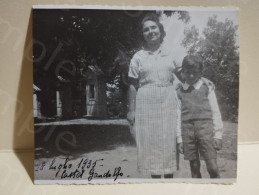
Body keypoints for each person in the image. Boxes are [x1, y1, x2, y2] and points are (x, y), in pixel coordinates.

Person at [127, 13, 182, 178]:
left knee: (168, 142)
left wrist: (203, 81)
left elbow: (187, 75)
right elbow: (132, 84)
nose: (150, 31)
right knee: (151, 145)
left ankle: (169, 185)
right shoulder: (138, 57)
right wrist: (131, 110)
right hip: (145, 104)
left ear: (160, 30)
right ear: (142, 34)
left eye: (153, 27)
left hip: (168, 102)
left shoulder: (171, 52)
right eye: (146, 29)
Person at [176, 55, 223, 178]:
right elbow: (177, 116)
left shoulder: (207, 87)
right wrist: (179, 139)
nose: (191, 76)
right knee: (195, 168)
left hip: (206, 131)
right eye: (187, 72)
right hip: (187, 131)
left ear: (200, 72)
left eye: (194, 72)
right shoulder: (180, 91)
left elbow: (215, 112)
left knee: (212, 167)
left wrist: (218, 135)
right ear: (183, 72)